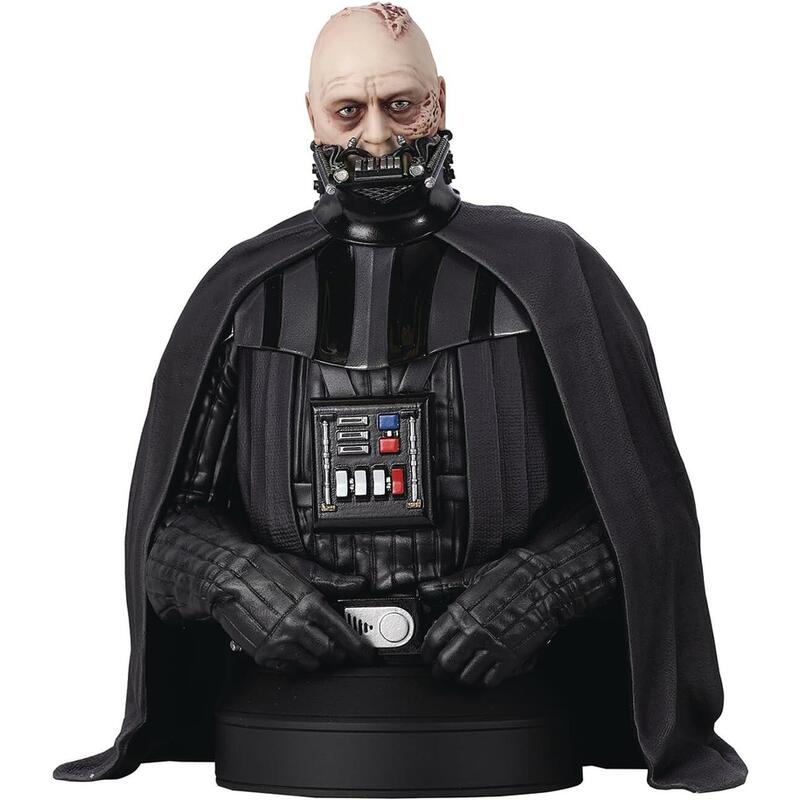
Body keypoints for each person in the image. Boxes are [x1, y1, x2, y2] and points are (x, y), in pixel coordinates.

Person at [54, 3, 746, 794]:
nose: (378, 136)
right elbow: (165, 522)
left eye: (401, 103)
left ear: (440, 101)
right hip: (285, 714)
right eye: (349, 110)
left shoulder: (550, 275)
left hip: (508, 709)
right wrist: (235, 578)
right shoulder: (246, 294)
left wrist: (545, 586)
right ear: (312, 116)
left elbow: (640, 506)